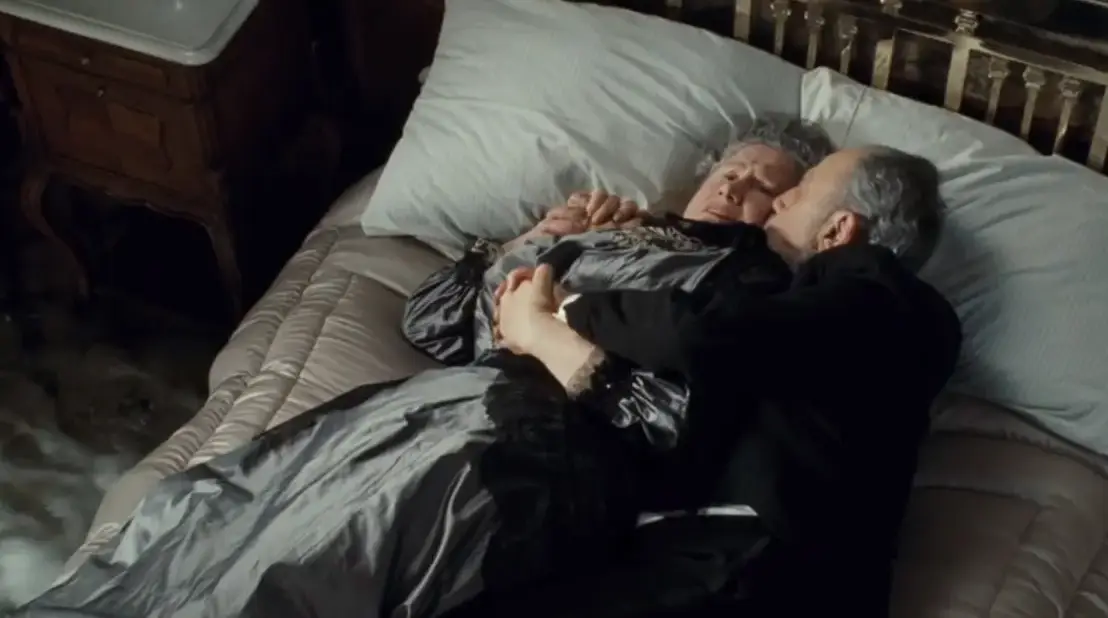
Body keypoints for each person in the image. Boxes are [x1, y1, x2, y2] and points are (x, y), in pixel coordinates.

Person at [10, 119, 834, 618]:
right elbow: (432, 321)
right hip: (427, 404)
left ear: (787, 217)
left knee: (305, 566)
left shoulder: (737, 283)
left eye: (764, 186)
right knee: (194, 517)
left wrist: (547, 330)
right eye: (732, 168)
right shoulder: (611, 227)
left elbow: (669, 421)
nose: (737, 187)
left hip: (523, 446)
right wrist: (533, 242)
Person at [487, 146, 963, 617]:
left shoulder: (888, 296)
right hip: (710, 556)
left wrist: (564, 309)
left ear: (839, 229)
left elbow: (700, 334)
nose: (780, 202)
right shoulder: (815, 328)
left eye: (800, 191)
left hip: (757, 567)